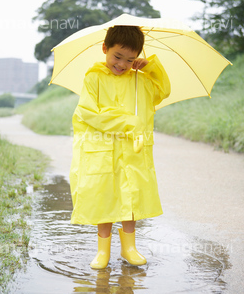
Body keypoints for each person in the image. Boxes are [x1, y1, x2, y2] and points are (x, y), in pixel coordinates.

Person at [70, 25, 171, 269]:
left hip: (132, 152)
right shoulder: (93, 77)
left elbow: (163, 92)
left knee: (131, 198)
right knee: (103, 197)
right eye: (117, 56)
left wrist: (151, 67)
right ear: (105, 48)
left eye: (130, 59)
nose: (122, 64)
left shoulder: (141, 81)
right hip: (102, 151)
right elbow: (88, 113)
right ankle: (102, 251)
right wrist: (127, 122)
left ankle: (129, 248)